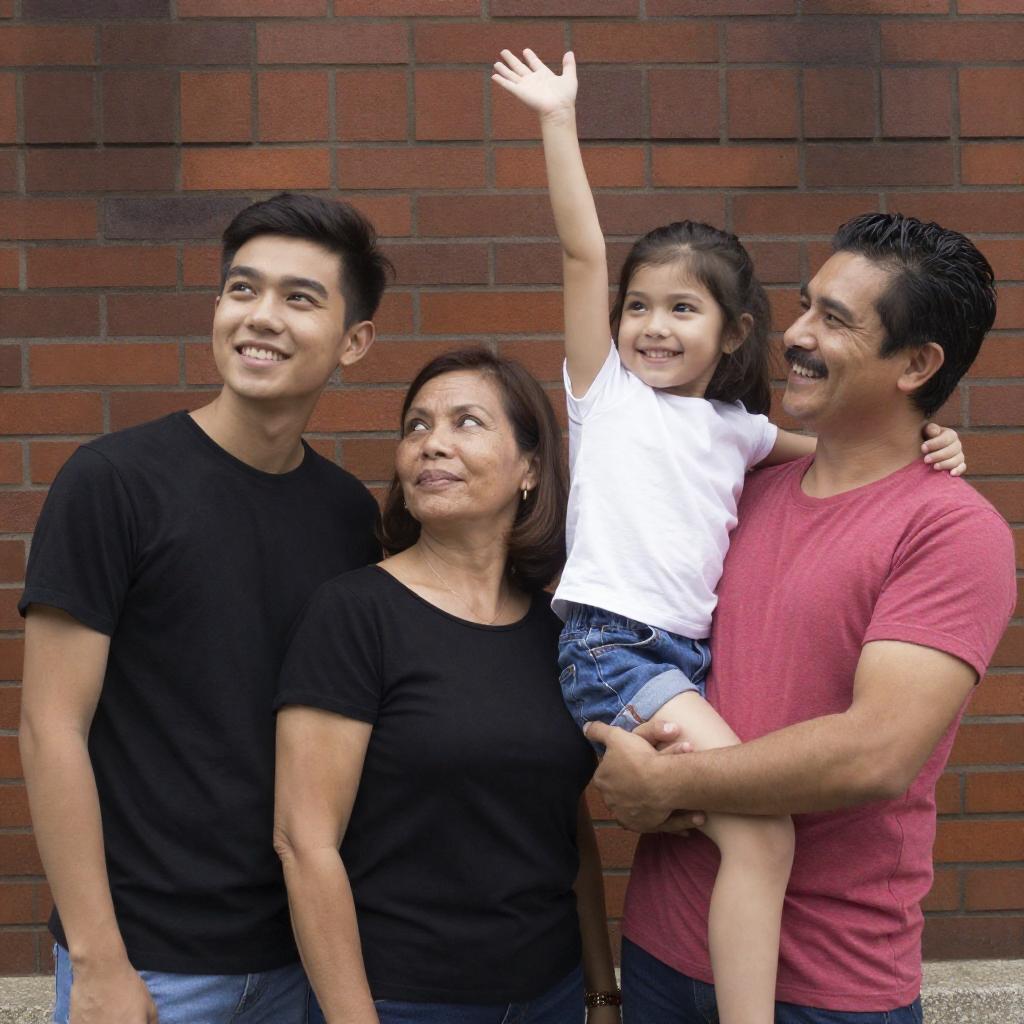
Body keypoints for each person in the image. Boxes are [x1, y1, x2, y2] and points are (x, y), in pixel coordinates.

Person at [492, 49, 967, 1024]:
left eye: (682, 309)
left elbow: (847, 447)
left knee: (753, 836)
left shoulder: (741, 434)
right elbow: (582, 254)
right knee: (762, 835)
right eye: (638, 307)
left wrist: (933, 439)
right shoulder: (607, 396)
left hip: (682, 664)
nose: (652, 327)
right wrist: (556, 120)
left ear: (733, 333)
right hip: (614, 647)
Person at [587, 212, 1016, 1023]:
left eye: (835, 320)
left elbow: (874, 753)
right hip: (661, 953)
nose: (795, 335)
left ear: (917, 364)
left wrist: (663, 784)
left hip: (827, 984)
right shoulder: (738, 491)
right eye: (805, 306)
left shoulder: (951, 531)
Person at [18, 192, 389, 1024]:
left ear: (354, 341)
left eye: (300, 298)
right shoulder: (113, 483)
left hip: (298, 959)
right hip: (148, 967)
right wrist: (98, 959)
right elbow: (50, 728)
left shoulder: (346, 516)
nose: (261, 316)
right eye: (242, 289)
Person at [273, 348, 621, 1024]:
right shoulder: (355, 614)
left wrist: (601, 992)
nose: (432, 442)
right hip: (403, 1000)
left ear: (530, 468)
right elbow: (304, 842)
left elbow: (563, 825)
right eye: (417, 426)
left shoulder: (557, 633)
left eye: (467, 422)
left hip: (550, 994)